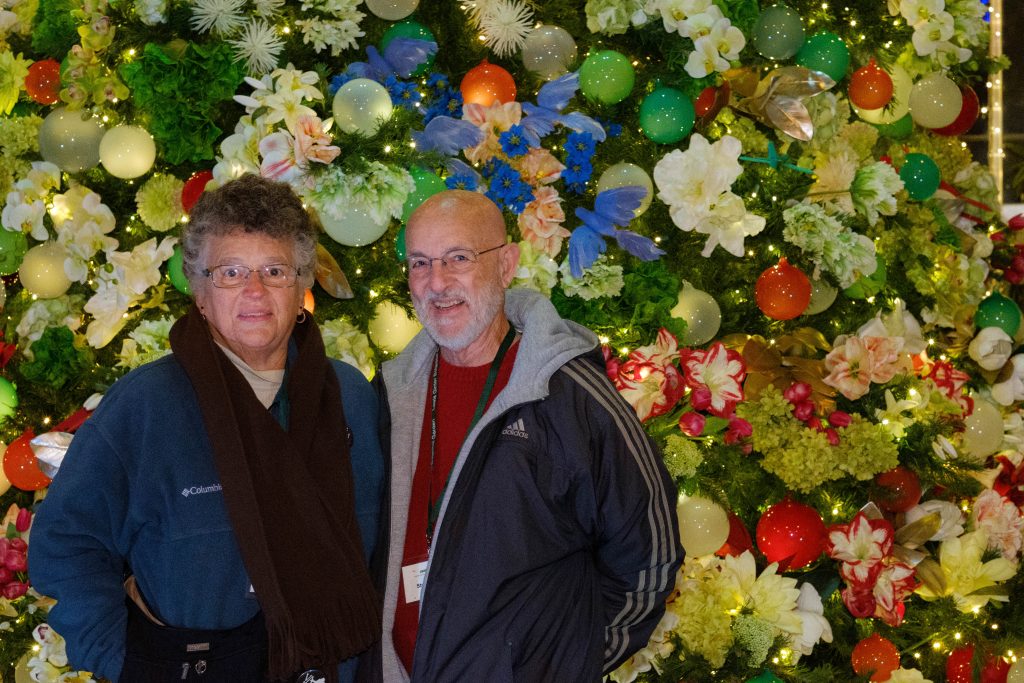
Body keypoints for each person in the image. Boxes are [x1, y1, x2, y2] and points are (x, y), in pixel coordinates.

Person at [29, 174, 383, 683]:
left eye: (274, 270)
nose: (255, 290)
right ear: (199, 292)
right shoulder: (145, 404)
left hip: (334, 667)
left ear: (303, 283)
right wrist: (122, 659)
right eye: (232, 272)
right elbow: (66, 539)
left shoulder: (349, 397)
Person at [370, 190, 682, 682]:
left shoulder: (570, 397)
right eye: (420, 263)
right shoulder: (390, 393)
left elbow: (650, 553)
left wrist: (564, 662)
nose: (437, 283)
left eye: (459, 258)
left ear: (506, 264)